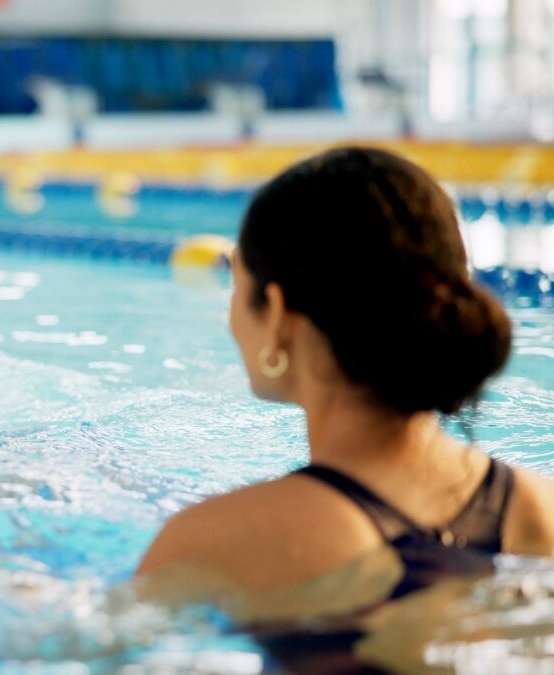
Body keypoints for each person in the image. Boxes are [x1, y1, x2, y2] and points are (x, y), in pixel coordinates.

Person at [137, 147, 554, 600]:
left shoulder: (216, 542)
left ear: (276, 313)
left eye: (236, 288)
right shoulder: (540, 510)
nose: (229, 318)